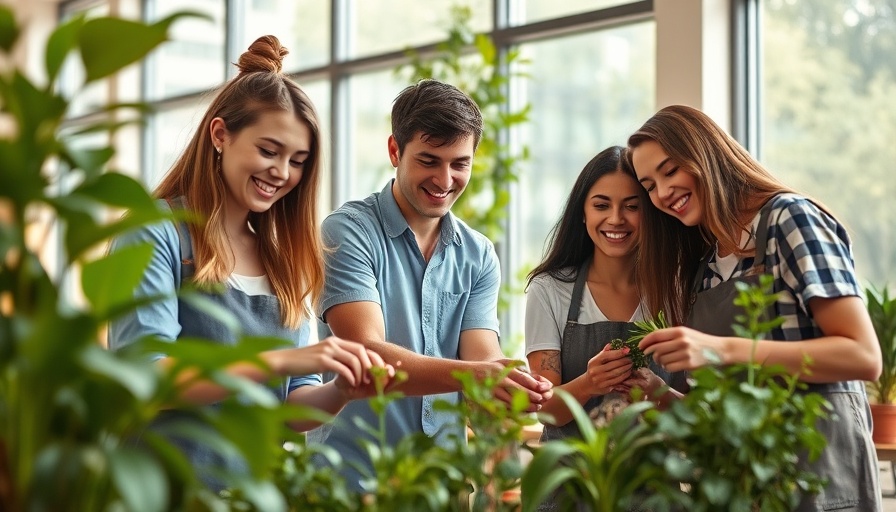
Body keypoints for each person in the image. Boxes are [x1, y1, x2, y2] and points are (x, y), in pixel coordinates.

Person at [108, 35, 392, 489]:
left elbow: (290, 406)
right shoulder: (153, 231)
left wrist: (341, 390)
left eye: (297, 161)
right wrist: (279, 361)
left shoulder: (285, 260)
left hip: (253, 493)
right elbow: (147, 376)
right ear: (220, 134)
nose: (282, 172)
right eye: (268, 150)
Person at [626, 104, 883, 511]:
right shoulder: (708, 268)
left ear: (705, 153)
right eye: (649, 185)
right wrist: (660, 396)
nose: (661, 193)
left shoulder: (789, 219)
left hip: (819, 474)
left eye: (670, 170)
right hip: (744, 480)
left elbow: (863, 355)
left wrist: (719, 349)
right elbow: (728, 408)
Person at [307, 78, 553, 490]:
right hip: (351, 481)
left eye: (460, 163)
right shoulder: (346, 232)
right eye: (429, 160)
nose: (445, 179)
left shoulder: (478, 254)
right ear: (394, 151)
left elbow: (481, 358)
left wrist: (509, 386)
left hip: (442, 483)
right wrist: (479, 374)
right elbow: (369, 353)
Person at [524, 146, 684, 512]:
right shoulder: (549, 290)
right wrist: (589, 383)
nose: (616, 219)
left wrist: (658, 393)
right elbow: (547, 411)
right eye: (601, 205)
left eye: (632, 206)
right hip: (569, 493)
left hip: (654, 495)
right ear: (582, 212)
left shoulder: (676, 291)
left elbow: (697, 413)